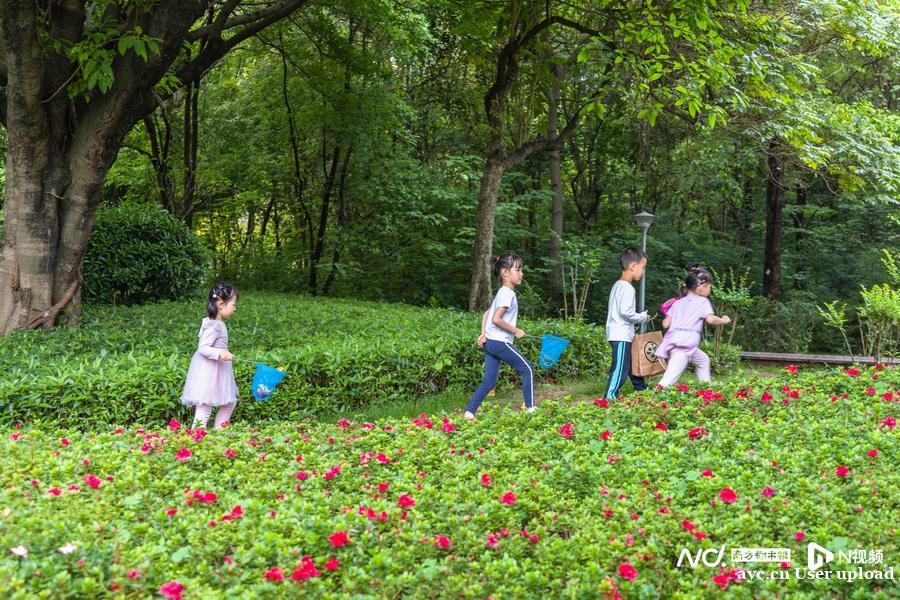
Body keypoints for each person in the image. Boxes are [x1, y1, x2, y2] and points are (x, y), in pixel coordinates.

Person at [464, 253, 535, 420]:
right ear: (505, 273)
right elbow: (496, 319)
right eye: (517, 269)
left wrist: (483, 334)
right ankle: (531, 409)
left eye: (521, 270)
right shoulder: (508, 294)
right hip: (500, 342)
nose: (521, 273)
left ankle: (469, 412)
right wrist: (515, 330)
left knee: (489, 381)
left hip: (490, 343)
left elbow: (486, 314)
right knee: (528, 369)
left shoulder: (502, 292)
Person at [655, 266, 731, 387]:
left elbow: (665, 323)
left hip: (679, 343)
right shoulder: (703, 302)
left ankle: (706, 390)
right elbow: (710, 319)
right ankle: (651, 401)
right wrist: (723, 320)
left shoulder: (678, 303)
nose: (709, 290)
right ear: (702, 287)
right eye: (709, 286)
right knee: (668, 380)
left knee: (703, 360)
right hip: (683, 346)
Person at [181, 282, 240, 428]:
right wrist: (220, 352)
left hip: (218, 369)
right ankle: (197, 435)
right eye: (233, 304)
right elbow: (203, 347)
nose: (235, 308)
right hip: (209, 370)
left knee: (229, 402)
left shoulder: (216, 323)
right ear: (221, 304)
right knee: (205, 405)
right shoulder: (214, 325)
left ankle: (220, 433)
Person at [603, 247, 652, 400]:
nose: (643, 272)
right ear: (633, 266)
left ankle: (642, 389)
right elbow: (626, 312)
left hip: (618, 333)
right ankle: (610, 396)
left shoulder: (617, 285)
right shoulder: (627, 288)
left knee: (631, 364)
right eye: (642, 267)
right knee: (620, 368)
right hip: (621, 334)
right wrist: (642, 317)